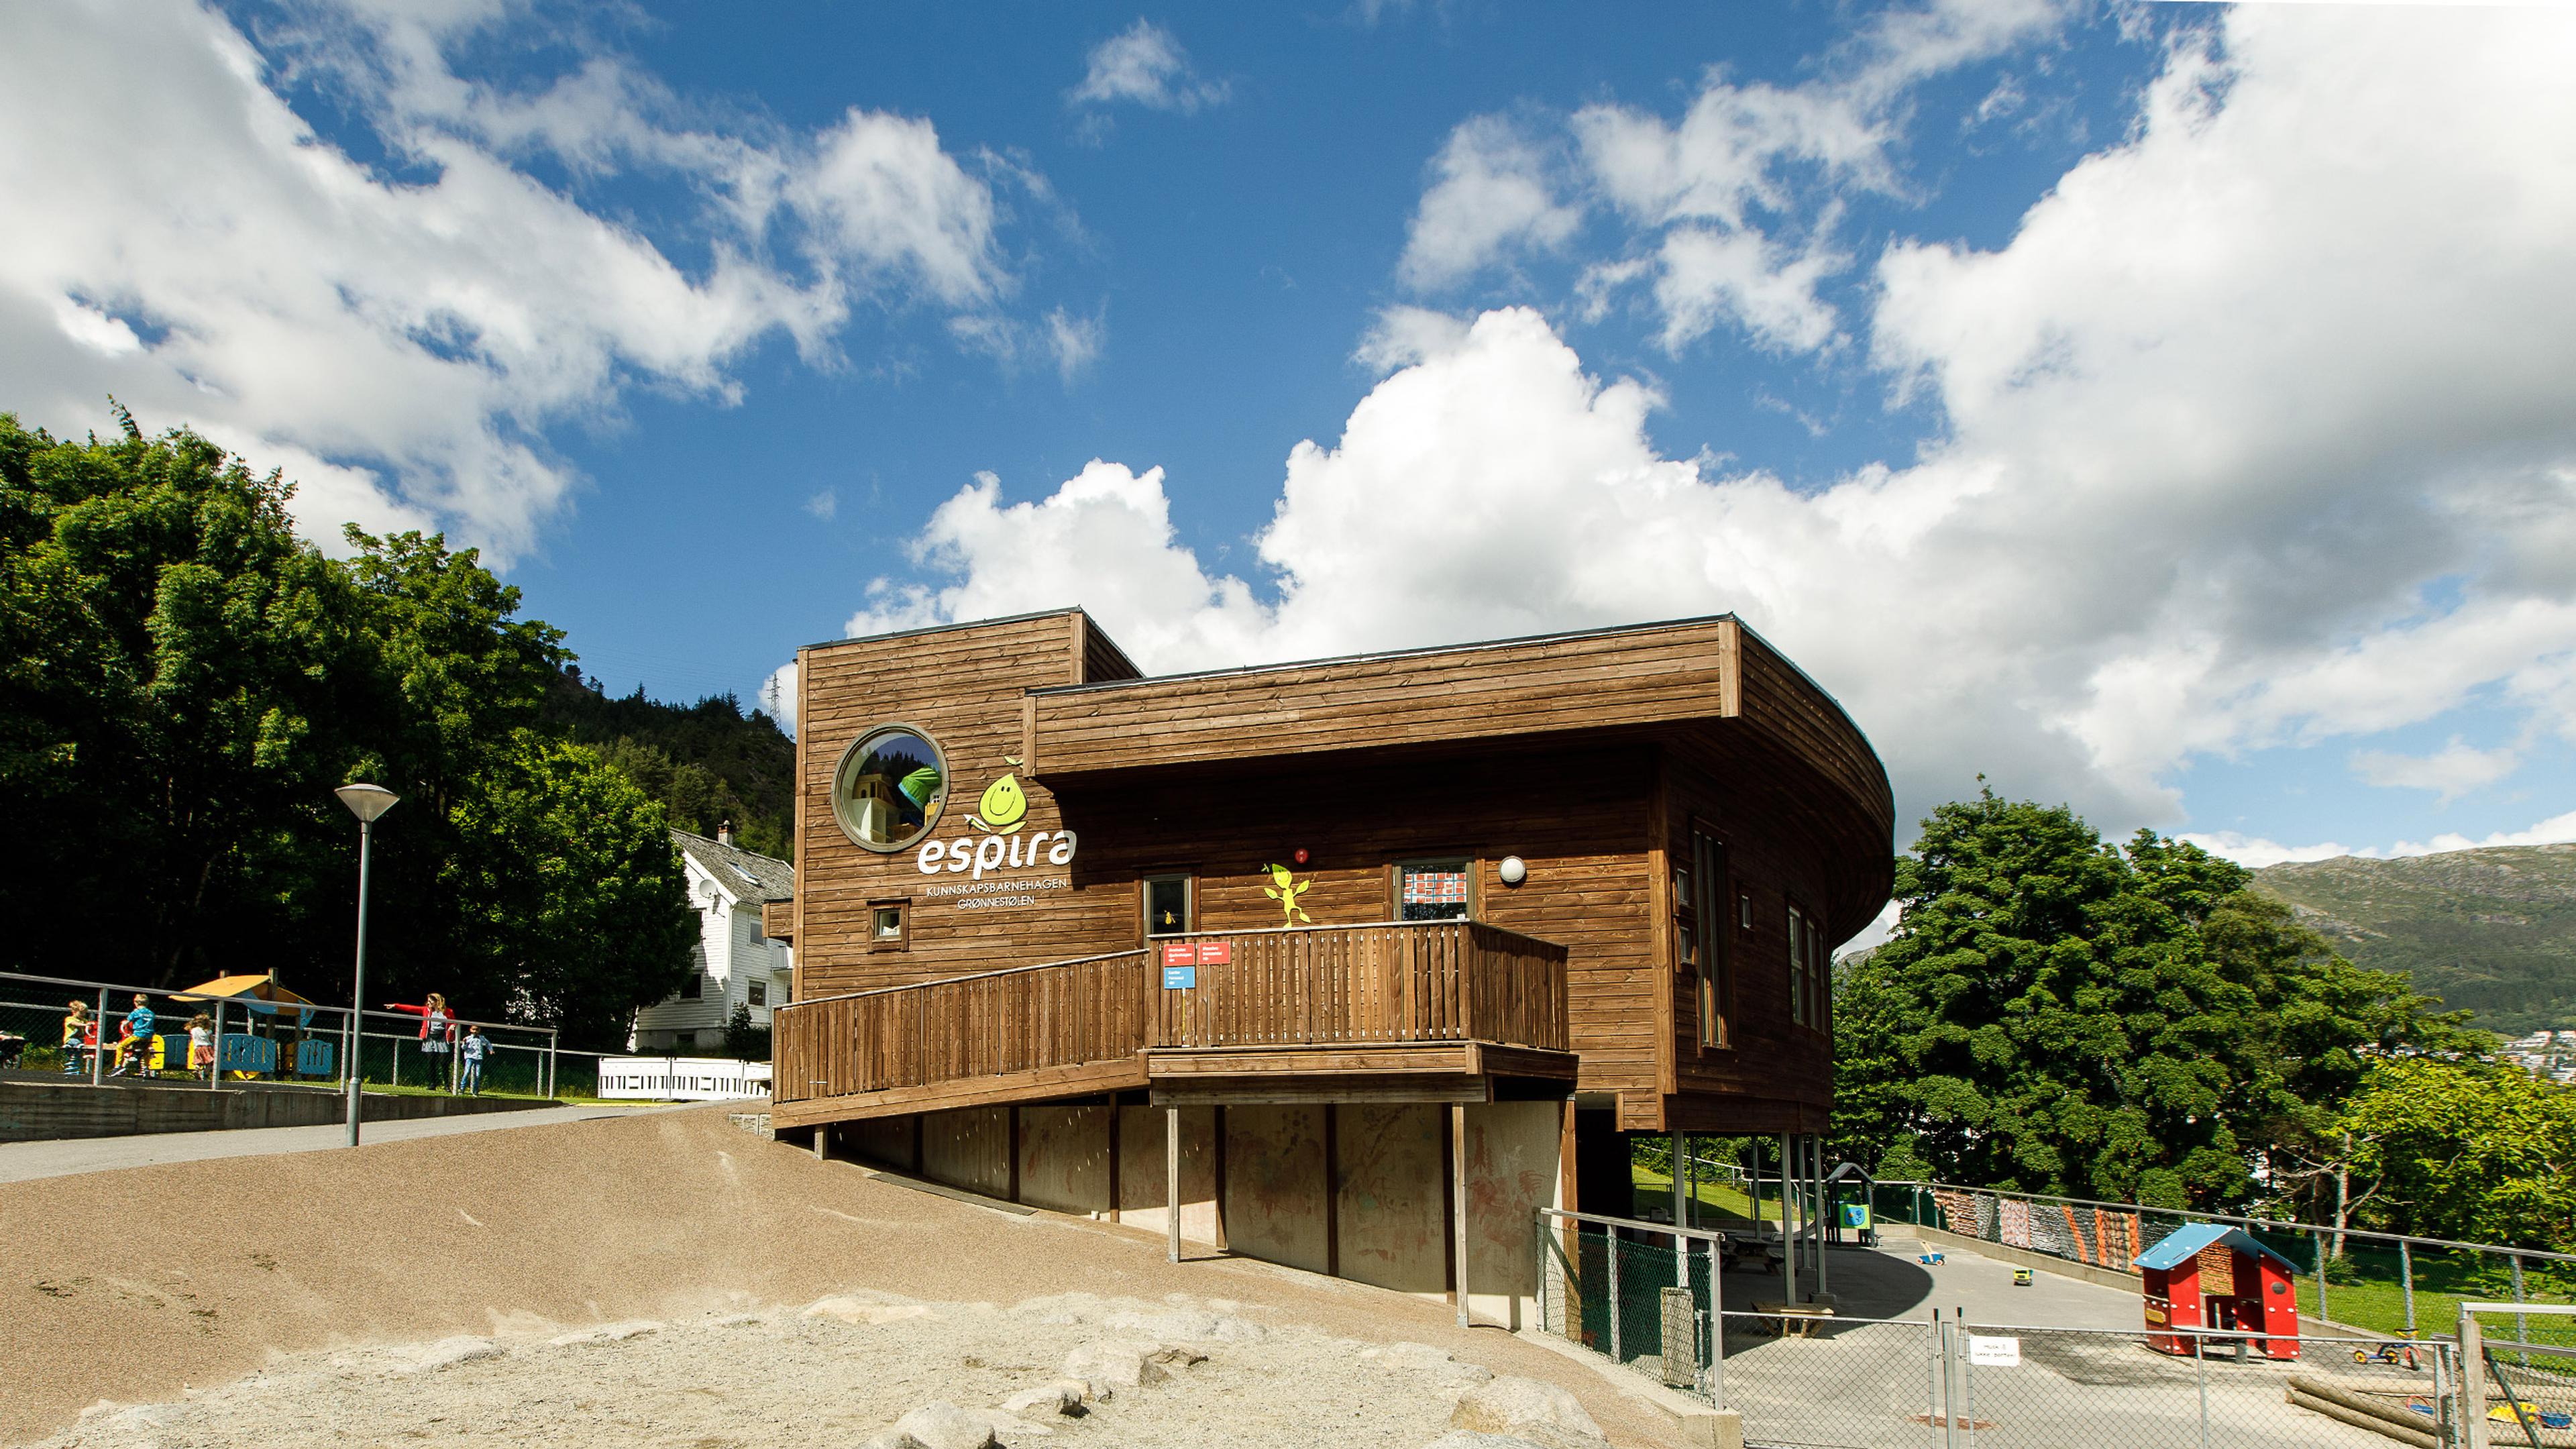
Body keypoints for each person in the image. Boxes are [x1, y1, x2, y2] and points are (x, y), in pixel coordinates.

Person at [111, 994, 156, 1076]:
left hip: (138, 1035)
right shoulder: (151, 1013)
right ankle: (146, 1068)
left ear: (136, 1003)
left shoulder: (136, 1012)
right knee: (146, 1050)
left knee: (121, 1046)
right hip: (149, 1036)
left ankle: (117, 1067)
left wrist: (124, 1024)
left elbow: (127, 1023)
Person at [61, 1000, 90, 1075]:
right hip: (70, 1039)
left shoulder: (84, 1020)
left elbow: (89, 1025)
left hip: (80, 1039)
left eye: (85, 1013)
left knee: (77, 1056)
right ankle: (71, 1046)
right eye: (81, 1013)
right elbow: (75, 1024)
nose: (84, 1015)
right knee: (76, 1042)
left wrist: (90, 1025)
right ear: (74, 1011)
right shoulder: (69, 1019)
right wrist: (85, 1025)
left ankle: (74, 1069)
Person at [459, 1024, 488, 1095]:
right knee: (467, 1072)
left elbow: (488, 1043)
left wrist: (491, 1049)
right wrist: (464, 1043)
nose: (475, 1031)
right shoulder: (468, 1038)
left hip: (479, 1058)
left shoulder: (482, 1038)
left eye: (477, 1030)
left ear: (479, 1030)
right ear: (471, 1030)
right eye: (474, 1029)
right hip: (470, 1057)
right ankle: (462, 1089)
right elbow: (463, 1048)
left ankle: (476, 1091)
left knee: (477, 1075)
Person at [188, 1012, 216, 1077]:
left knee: (199, 1061)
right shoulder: (208, 1031)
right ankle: (206, 1074)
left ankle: (197, 1070)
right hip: (207, 1048)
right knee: (209, 1062)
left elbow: (193, 1038)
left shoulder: (193, 1030)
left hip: (198, 1048)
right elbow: (212, 1039)